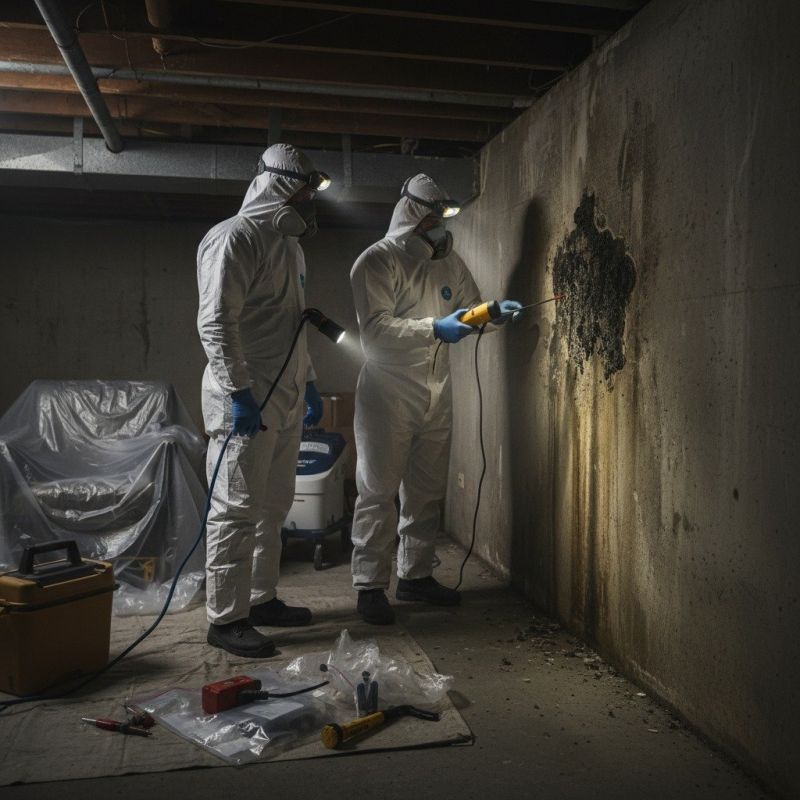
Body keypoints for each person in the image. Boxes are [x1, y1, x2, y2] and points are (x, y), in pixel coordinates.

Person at [349, 173, 521, 625]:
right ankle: (369, 585)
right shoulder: (376, 262)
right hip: (388, 392)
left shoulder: (450, 262)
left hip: (436, 388)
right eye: (432, 219)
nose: (440, 228)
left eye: (443, 219)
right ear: (412, 216)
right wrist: (433, 328)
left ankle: (415, 575)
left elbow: (469, 308)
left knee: (425, 491)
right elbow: (375, 334)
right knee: (378, 490)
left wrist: (492, 313)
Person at [197, 143, 327, 657]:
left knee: (272, 507)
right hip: (245, 398)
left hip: (286, 392)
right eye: (299, 190)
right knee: (234, 508)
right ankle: (225, 619)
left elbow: (292, 321)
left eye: (309, 192)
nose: (305, 200)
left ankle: (260, 598)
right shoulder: (234, 238)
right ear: (273, 185)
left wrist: (310, 380)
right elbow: (215, 321)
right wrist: (238, 392)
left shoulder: (291, 247)